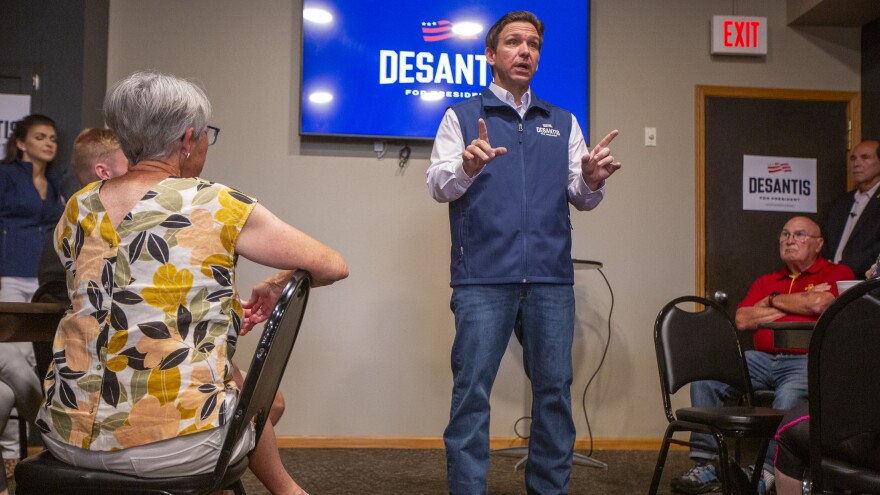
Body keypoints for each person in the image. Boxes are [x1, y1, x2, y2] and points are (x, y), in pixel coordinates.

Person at [36, 71, 348, 495]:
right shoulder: (215, 201)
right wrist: (276, 284)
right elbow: (332, 264)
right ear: (187, 139)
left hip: (64, 436)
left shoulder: (78, 205)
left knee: (235, 386)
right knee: (243, 392)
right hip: (173, 447)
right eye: (206, 135)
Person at [426, 11, 621, 494]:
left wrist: (593, 180)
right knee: (472, 394)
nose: (525, 51)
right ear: (491, 55)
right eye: (513, 42)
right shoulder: (461, 116)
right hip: (482, 278)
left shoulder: (562, 120)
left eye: (533, 43)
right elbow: (437, 185)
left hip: (551, 279)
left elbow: (581, 194)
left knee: (554, 393)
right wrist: (468, 166)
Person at [671, 216, 854, 495]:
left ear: (818, 245)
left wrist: (769, 302)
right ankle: (707, 462)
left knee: (788, 398)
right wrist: (793, 302)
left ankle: (767, 472)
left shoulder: (836, 272)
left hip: (804, 360)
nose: (789, 239)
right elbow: (743, 319)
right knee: (709, 377)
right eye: (785, 234)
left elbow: (820, 304)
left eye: (799, 234)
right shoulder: (767, 280)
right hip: (763, 359)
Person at [0, 113, 65, 487]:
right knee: (13, 357)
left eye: (53, 138)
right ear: (21, 142)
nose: (49, 143)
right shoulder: (7, 176)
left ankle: (31, 445)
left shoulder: (57, 182)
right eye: (40, 137)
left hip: (43, 277)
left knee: (31, 357)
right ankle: (12, 452)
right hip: (11, 271)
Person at [820, 140, 880, 278]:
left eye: (865, 157)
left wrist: (843, 269)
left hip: (866, 285)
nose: (856, 163)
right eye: (853, 158)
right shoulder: (839, 203)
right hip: (830, 282)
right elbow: (824, 243)